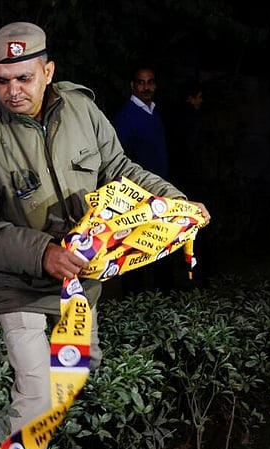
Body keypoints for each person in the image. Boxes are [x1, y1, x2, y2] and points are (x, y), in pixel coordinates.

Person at [0, 22, 210, 449]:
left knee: (71, 380)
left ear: (48, 70)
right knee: (38, 400)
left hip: (79, 290)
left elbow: (120, 170)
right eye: (2, 81)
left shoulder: (82, 108)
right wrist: (41, 252)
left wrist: (178, 204)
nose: (13, 91)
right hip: (17, 287)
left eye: (23, 78)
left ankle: (4, 433)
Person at [113, 66, 174, 293]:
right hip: (137, 195)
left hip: (159, 191)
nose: (146, 87)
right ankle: (133, 300)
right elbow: (120, 158)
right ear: (132, 85)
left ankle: (161, 296)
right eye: (141, 82)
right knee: (134, 251)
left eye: (150, 82)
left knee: (159, 245)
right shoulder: (126, 116)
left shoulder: (154, 112)